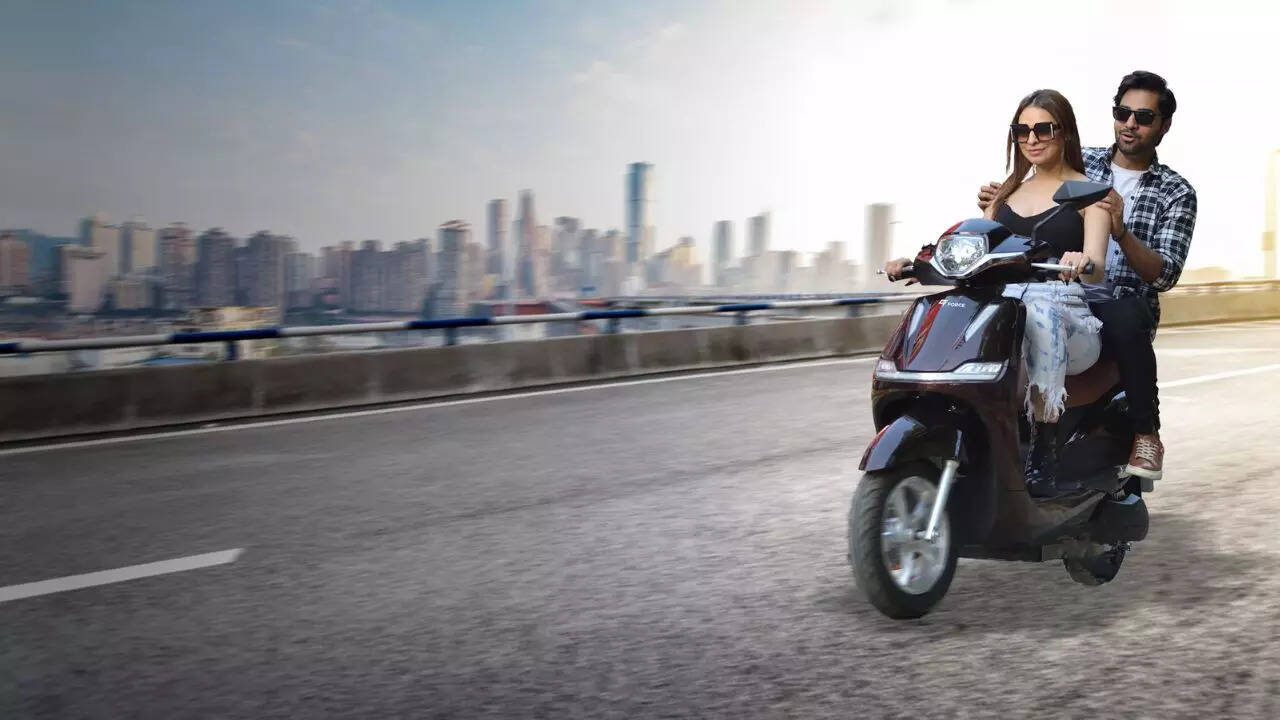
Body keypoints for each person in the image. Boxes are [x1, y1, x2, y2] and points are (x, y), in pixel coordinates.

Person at [887, 89, 1111, 497]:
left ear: (1065, 132)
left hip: (1067, 318)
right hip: (1007, 314)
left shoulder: (1090, 193)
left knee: (1040, 312)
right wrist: (919, 262)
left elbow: (1097, 268)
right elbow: (973, 250)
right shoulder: (1004, 195)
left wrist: (1083, 260)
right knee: (950, 309)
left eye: (1043, 129)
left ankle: (1044, 448)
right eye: (1022, 131)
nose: (1032, 139)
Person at [976, 71, 1196, 483]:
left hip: (1118, 297)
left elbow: (1164, 274)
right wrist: (997, 204)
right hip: (1049, 290)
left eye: (1143, 117)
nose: (1130, 123)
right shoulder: (1084, 160)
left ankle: (1146, 434)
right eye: (1122, 113)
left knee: (1126, 314)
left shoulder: (1175, 191)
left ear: (1163, 125)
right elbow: (1038, 183)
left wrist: (1121, 231)